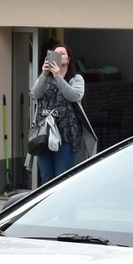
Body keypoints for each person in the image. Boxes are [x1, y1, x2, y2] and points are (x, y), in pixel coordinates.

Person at [31, 43, 95, 182]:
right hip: (44, 133)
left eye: (63, 54)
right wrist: (44, 74)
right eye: (55, 53)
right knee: (46, 176)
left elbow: (74, 96)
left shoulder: (76, 78)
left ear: (69, 59)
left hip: (67, 132)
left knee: (62, 176)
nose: (59, 56)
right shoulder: (45, 77)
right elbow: (36, 94)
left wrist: (58, 77)